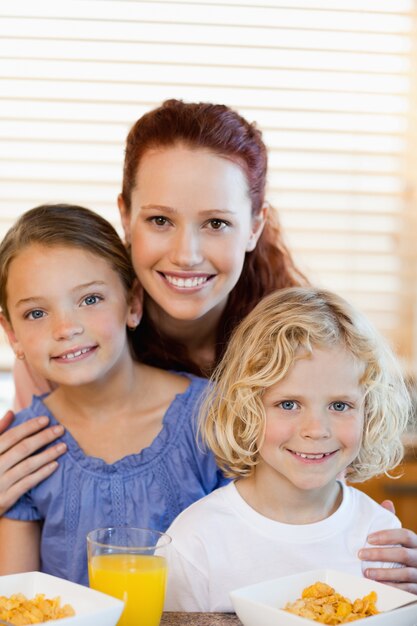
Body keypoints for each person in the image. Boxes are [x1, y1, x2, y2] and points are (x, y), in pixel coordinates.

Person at [1, 99, 417, 588]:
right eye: (160, 220)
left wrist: (365, 540)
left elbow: (310, 510)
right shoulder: (72, 349)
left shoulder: (294, 342)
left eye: (216, 222)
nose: (186, 254)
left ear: (254, 225)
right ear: (125, 214)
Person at [0, 204, 226, 586]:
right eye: (37, 313)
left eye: (90, 299)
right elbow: (17, 603)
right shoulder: (25, 449)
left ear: (133, 303)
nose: (66, 328)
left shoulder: (213, 416)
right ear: (12, 335)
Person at [163, 287, 411, 612]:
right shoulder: (195, 540)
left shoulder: (379, 537)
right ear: (247, 407)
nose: (316, 430)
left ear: (370, 411)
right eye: (289, 404)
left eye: (339, 405)